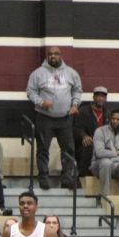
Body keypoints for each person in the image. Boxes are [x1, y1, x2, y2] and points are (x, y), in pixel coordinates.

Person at [26, 46, 83, 190]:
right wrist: (41, 102)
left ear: (61, 55)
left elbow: (77, 90)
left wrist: (75, 105)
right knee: (43, 149)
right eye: (50, 54)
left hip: (65, 118)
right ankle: (44, 178)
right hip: (45, 118)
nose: (53, 56)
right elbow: (30, 92)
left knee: (68, 150)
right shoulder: (37, 73)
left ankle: (67, 179)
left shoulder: (71, 73)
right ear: (47, 56)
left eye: (56, 54)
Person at [72, 87, 109, 178]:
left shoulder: (108, 113)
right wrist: (84, 136)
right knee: (88, 145)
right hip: (87, 142)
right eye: (98, 96)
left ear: (105, 99)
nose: (100, 98)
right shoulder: (84, 111)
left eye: (103, 96)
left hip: (103, 144)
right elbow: (77, 128)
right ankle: (83, 177)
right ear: (93, 97)